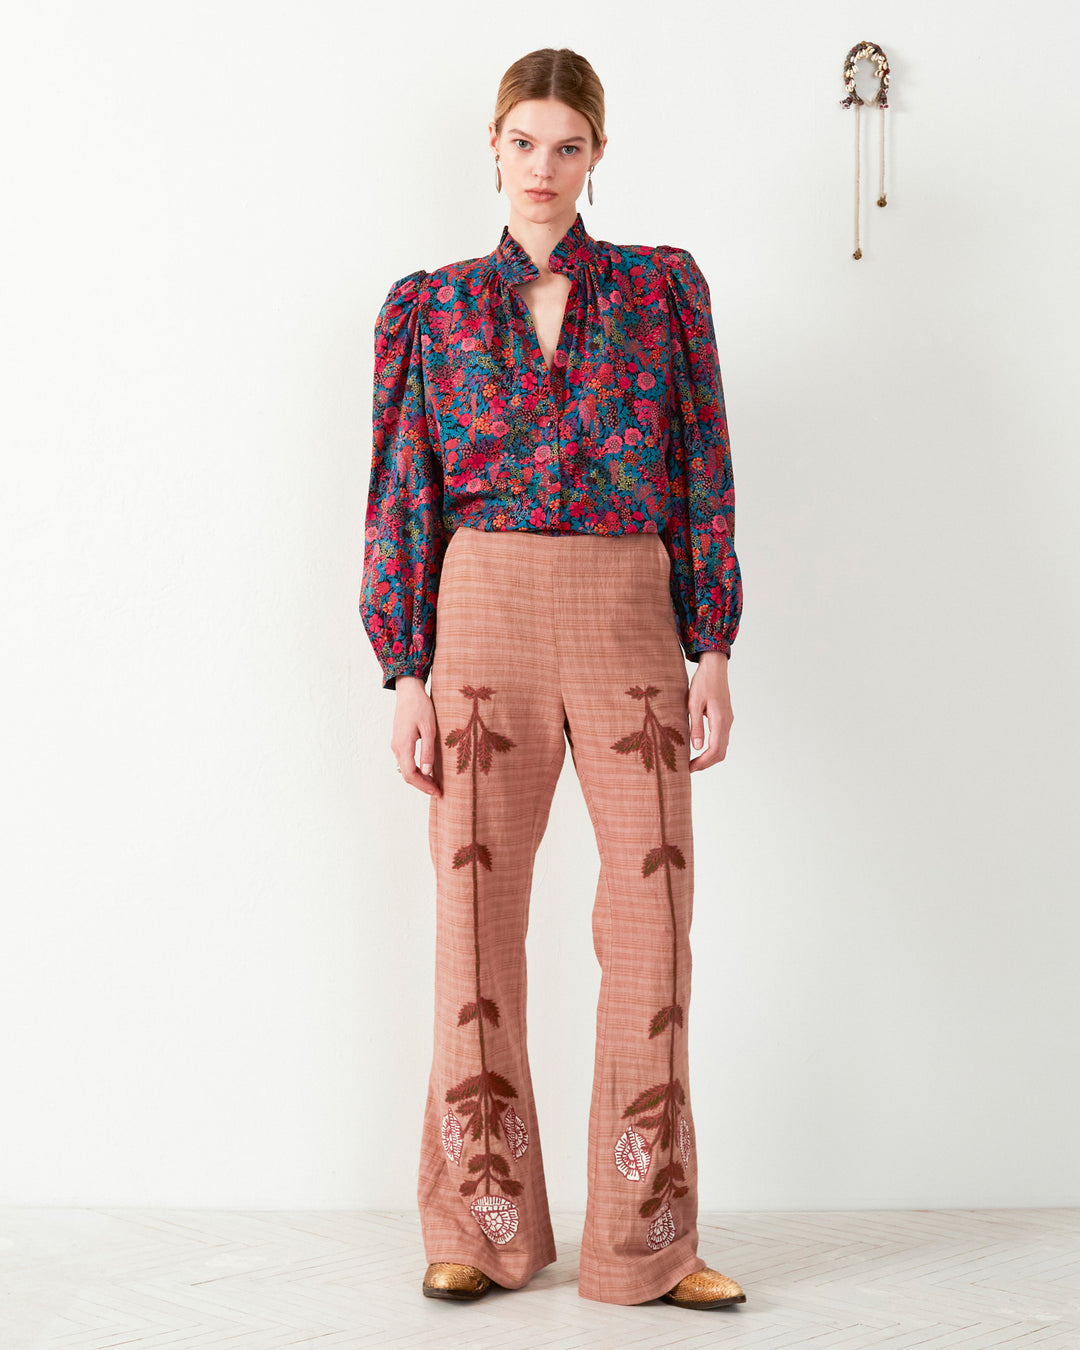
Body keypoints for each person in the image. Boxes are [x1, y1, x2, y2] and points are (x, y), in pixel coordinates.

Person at [359, 47, 746, 1313]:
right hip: (482, 614)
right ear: (492, 146)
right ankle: (478, 1223)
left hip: (631, 609)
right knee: (475, 929)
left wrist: (715, 649)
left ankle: (650, 1240)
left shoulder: (660, 292)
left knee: (651, 934)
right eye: (523, 142)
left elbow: (703, 469)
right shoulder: (428, 306)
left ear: (597, 155)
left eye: (567, 145)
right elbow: (402, 493)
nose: (543, 167)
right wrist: (404, 671)